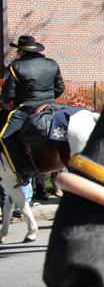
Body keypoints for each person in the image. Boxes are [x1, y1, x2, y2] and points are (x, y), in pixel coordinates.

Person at [1, 35, 64, 185]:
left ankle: (26, 169)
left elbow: (8, 94)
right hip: (51, 105)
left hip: (26, 108)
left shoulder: (15, 66)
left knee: (4, 137)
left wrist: (4, 101)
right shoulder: (52, 64)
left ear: (21, 51)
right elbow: (60, 87)